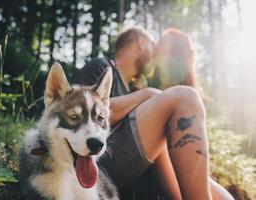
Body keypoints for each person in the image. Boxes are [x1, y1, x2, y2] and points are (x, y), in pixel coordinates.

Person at [73, 27, 234, 200]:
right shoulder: (102, 67)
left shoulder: (131, 89)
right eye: (153, 44)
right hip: (97, 162)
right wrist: (145, 94)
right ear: (141, 44)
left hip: (130, 172)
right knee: (186, 97)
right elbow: (83, 114)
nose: (156, 50)